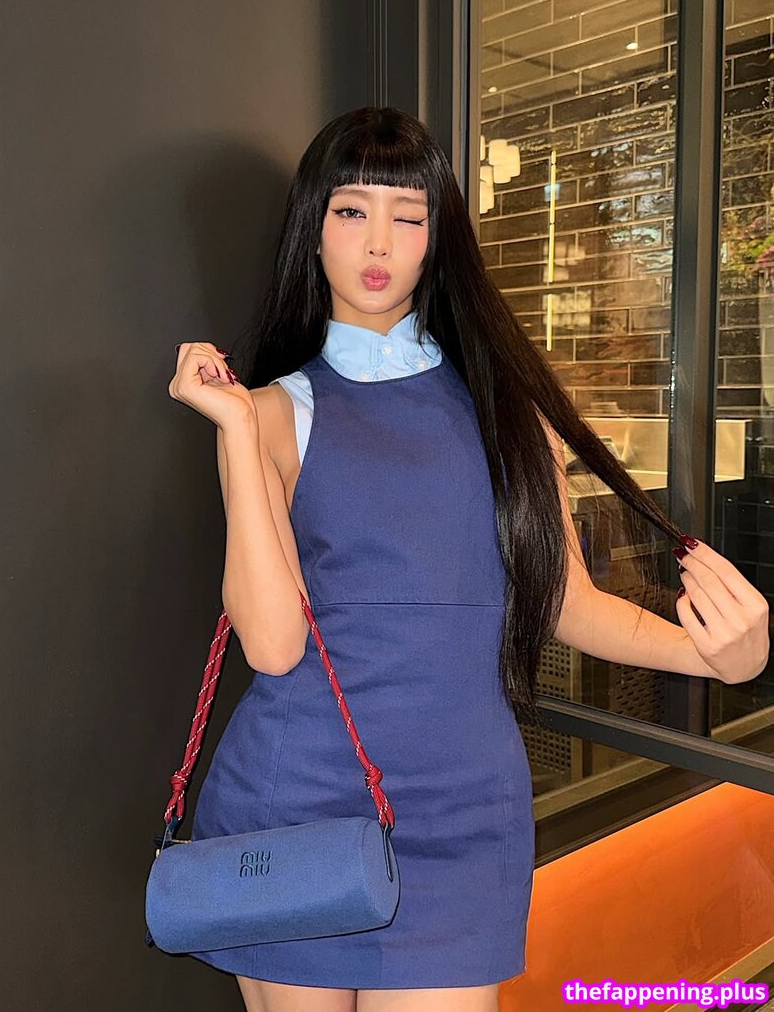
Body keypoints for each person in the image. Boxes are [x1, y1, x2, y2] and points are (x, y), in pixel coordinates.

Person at [167, 106, 769, 1012]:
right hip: (296, 799)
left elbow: (566, 603)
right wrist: (234, 429)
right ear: (312, 232)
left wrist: (716, 656)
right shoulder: (268, 413)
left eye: (407, 217)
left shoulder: (507, 411)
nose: (378, 242)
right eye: (350, 212)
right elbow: (273, 644)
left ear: (437, 239)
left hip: (461, 806)